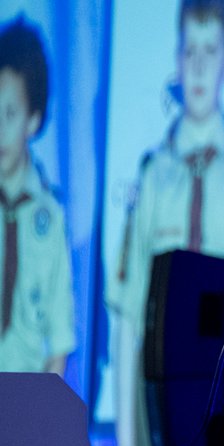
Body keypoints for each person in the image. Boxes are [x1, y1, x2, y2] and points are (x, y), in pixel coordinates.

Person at [107, 0, 224, 446]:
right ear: (177, 59)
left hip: (223, 390)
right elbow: (128, 318)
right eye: (190, 51)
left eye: (211, 50)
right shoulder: (154, 176)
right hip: (160, 387)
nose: (199, 65)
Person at [0, 16, 75, 375]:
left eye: (10, 114)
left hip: (22, 404)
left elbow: (58, 343)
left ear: (33, 119)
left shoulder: (50, 215)